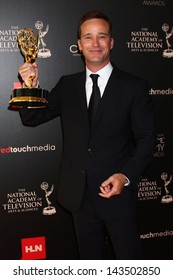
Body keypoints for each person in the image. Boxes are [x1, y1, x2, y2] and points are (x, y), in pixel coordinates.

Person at [18, 10, 155, 259]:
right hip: (78, 198)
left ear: (111, 42)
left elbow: (147, 140)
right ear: (79, 45)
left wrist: (125, 177)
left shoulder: (133, 86)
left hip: (118, 197)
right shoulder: (67, 85)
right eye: (88, 37)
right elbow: (32, 118)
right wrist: (30, 86)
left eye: (101, 36)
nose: (95, 43)